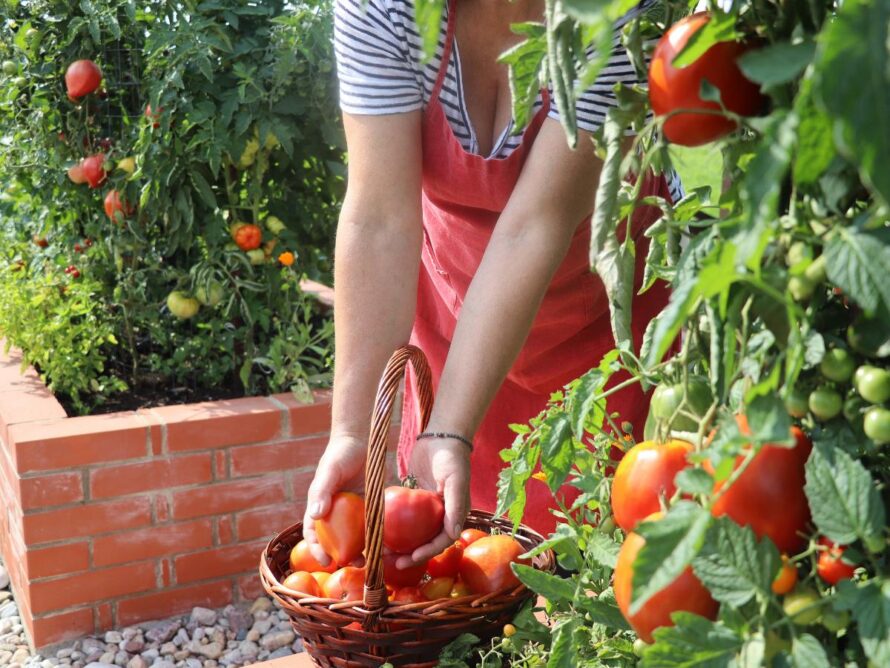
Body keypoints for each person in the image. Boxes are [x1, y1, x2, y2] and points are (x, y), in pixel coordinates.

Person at [304, 0, 680, 569]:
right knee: (469, 582)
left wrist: (450, 429)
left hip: (608, 339)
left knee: (600, 571)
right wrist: (356, 434)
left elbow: (536, 224)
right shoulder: (383, 7)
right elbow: (378, 219)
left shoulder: (614, 11)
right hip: (459, 330)